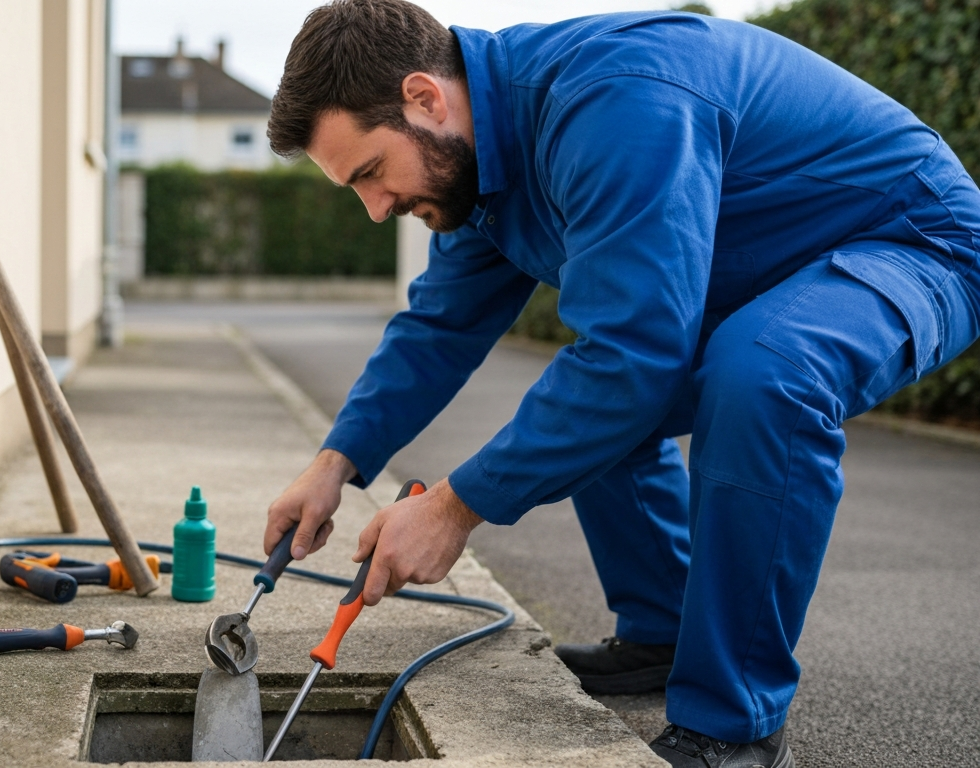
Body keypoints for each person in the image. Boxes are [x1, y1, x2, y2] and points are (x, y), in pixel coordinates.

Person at [260, 1, 980, 766]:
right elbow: (437, 329)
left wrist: (453, 508)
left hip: (913, 241)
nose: (376, 210)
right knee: (587, 396)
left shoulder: (613, 99)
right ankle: (663, 630)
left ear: (425, 98)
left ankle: (733, 727)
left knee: (759, 374)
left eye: (371, 172)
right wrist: (334, 462)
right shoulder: (479, 166)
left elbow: (632, 358)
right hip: (777, 276)